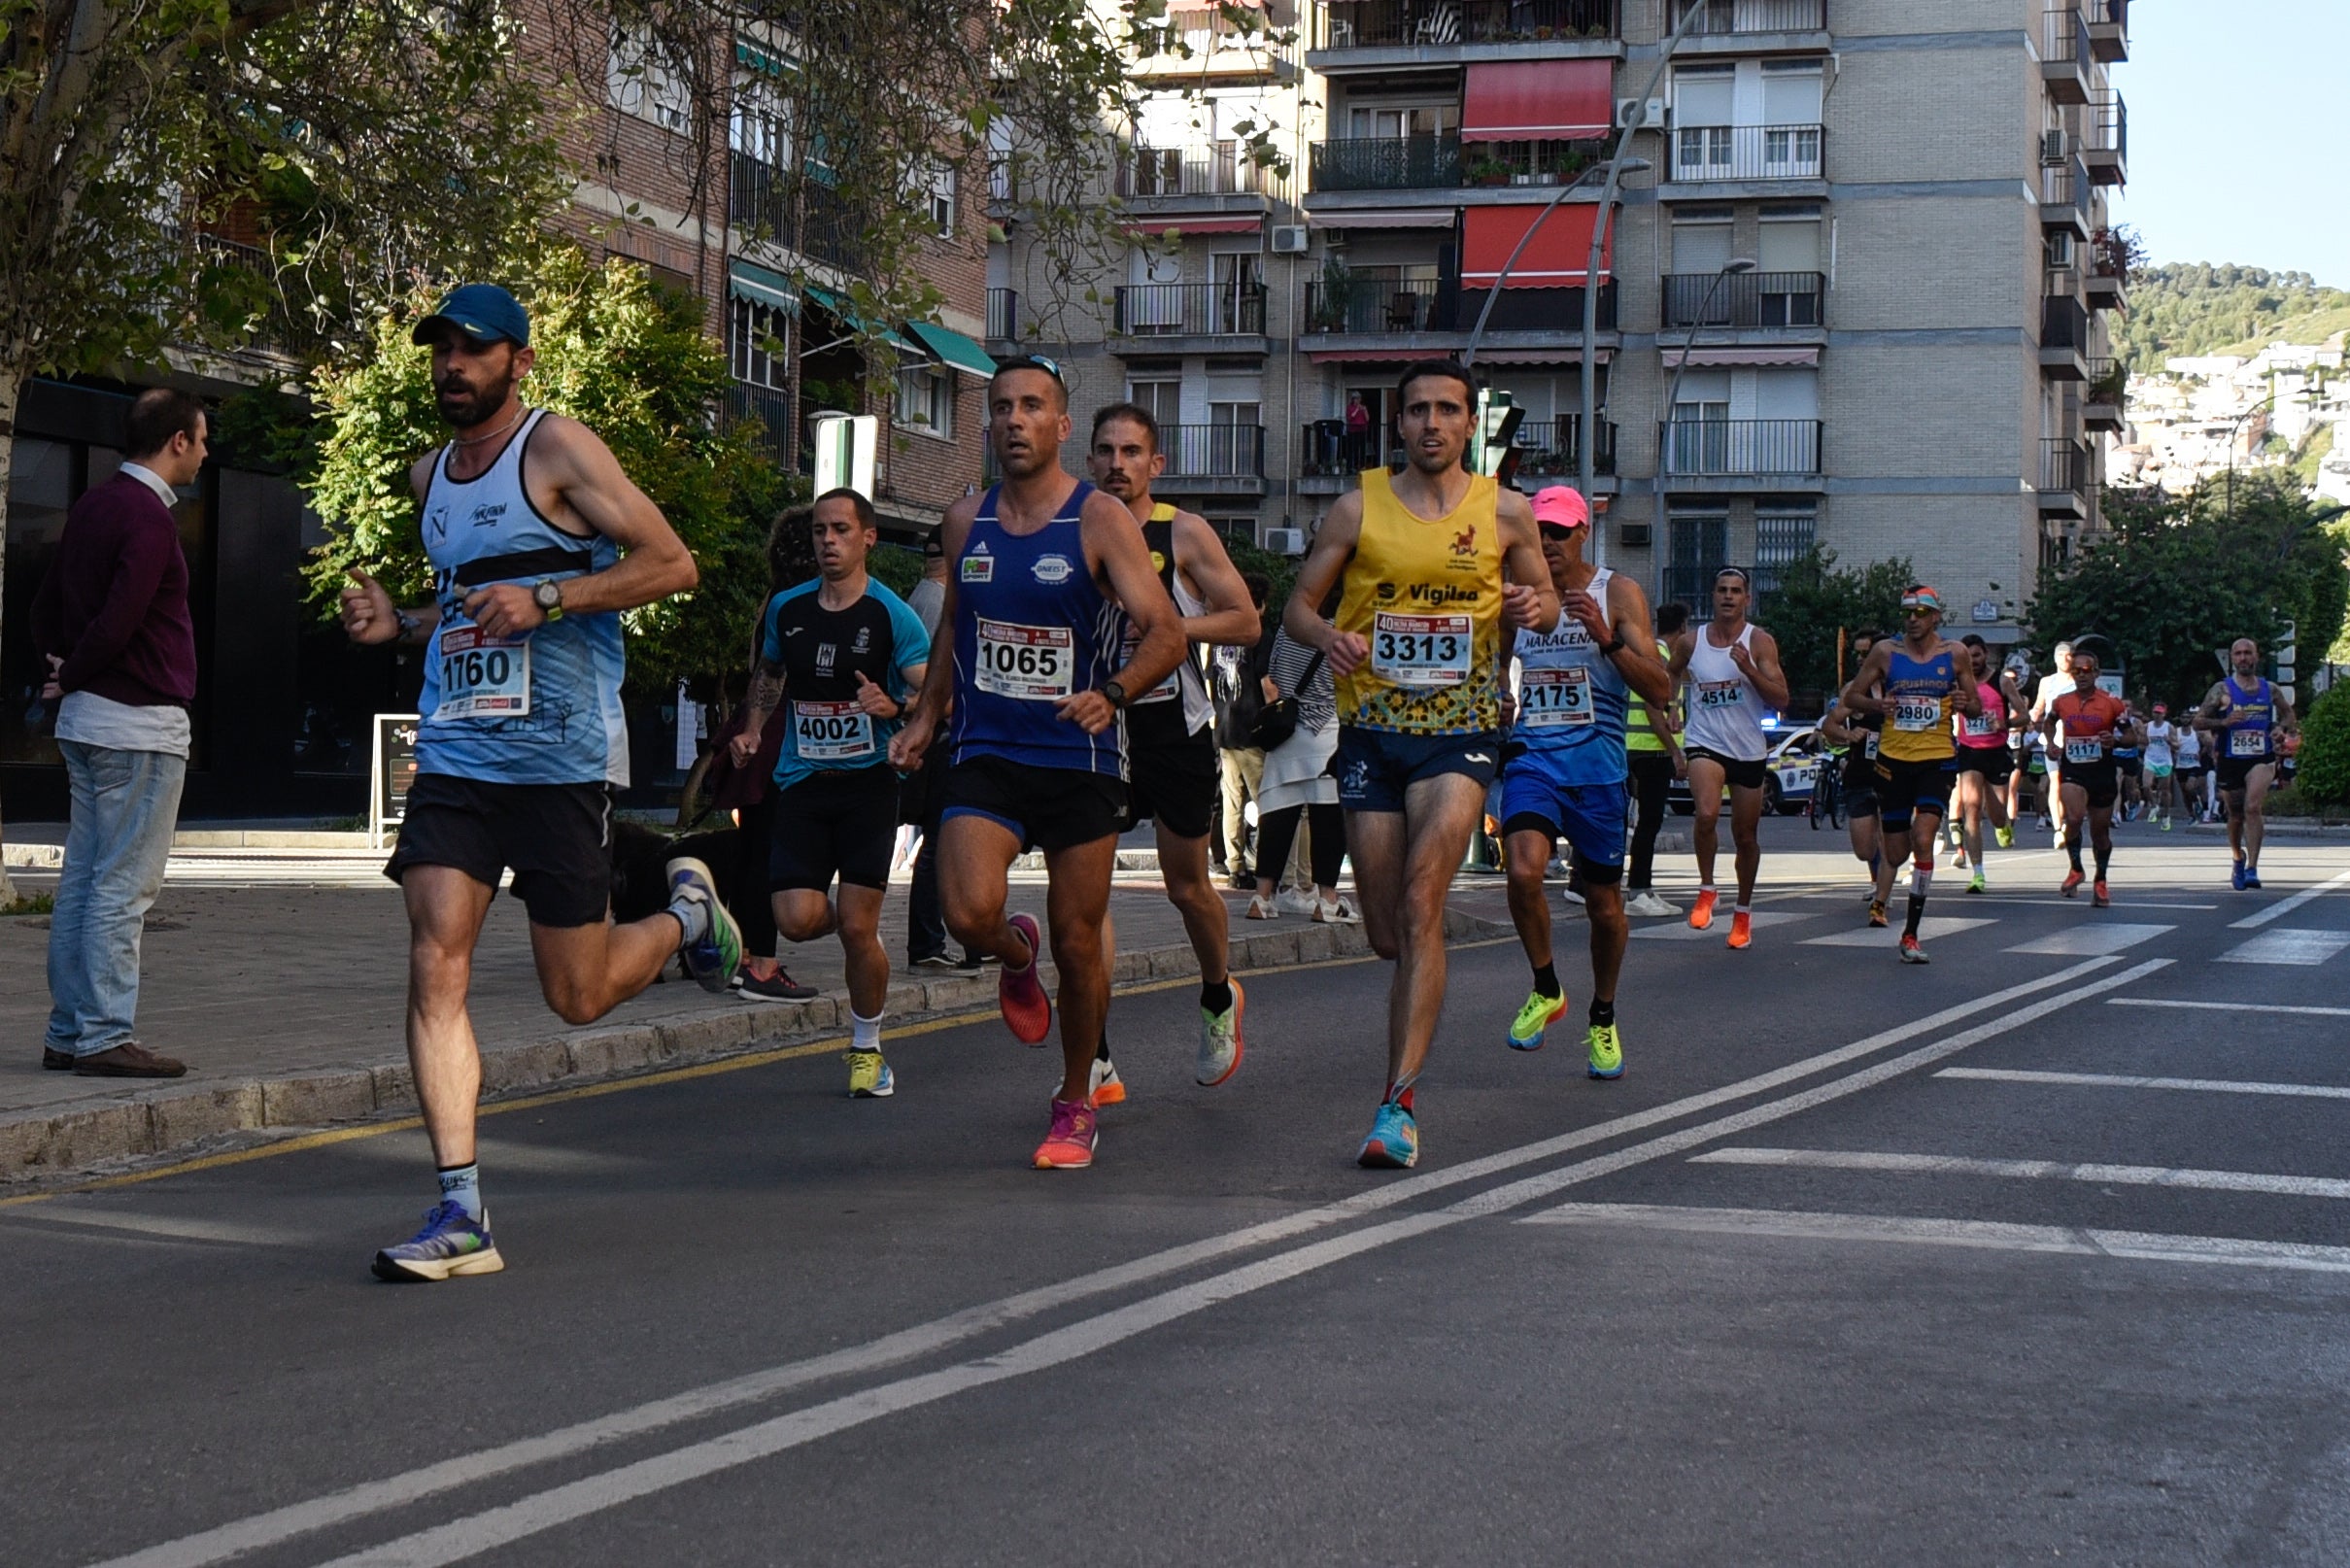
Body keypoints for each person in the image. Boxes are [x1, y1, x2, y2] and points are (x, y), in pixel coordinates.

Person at [336, 284, 716, 1281]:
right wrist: (401, 625)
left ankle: (686, 915)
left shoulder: (558, 450)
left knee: (576, 995)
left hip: (558, 759)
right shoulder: (430, 478)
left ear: (517, 361)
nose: (451, 366)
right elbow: (463, 606)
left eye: (472, 350)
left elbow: (672, 564)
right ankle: (460, 1209)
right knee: (435, 958)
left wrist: (551, 594)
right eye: (440, 351)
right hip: (459, 754)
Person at [887, 357, 1184, 1171]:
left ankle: (1075, 1099)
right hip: (986, 748)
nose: (1015, 420)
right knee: (965, 914)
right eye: (1002, 407)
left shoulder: (1098, 521)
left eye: (1033, 407)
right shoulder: (963, 521)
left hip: (1079, 755)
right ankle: (1015, 960)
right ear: (988, 425)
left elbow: (1166, 630)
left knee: (1080, 942)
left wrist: (1114, 694)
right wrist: (925, 715)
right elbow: (956, 629)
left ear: (1060, 427)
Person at [1282, 358, 1557, 1170]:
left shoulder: (1506, 513)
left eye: (1447, 409)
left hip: (1460, 732)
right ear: (1395, 423)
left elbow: (1538, 609)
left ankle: (1396, 1103)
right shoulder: (1353, 507)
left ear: (1471, 423)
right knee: (1384, 931)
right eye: (1416, 411)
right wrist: (1327, 635)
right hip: (1370, 732)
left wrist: (1529, 604)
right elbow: (1297, 605)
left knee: (1421, 895)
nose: (1431, 423)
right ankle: (1413, 1008)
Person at [28, 388, 208, 1079]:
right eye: (201, 438)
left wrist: (59, 670)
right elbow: (124, 617)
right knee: (123, 886)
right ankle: (104, 1034)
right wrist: (73, 668)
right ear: (177, 443)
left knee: (83, 879)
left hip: (88, 724)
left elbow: (47, 603)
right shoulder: (149, 518)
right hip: (139, 725)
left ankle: (69, 1032)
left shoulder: (93, 506)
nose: (204, 451)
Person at [727, 490, 931, 1098]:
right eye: (819, 531)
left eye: (841, 530)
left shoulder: (893, 616)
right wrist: (753, 729)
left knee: (857, 926)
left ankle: (867, 1048)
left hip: (870, 785)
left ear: (868, 537)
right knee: (797, 919)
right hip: (805, 781)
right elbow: (770, 674)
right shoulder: (788, 609)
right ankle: (849, 926)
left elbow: (931, 695)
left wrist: (895, 705)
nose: (828, 541)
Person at [1084, 402, 1262, 1100]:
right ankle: (1094, 1052)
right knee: (1084, 896)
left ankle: (1218, 994)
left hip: (1171, 727)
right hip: (1096, 726)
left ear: (1155, 465)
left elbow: (1246, 620)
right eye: (1105, 451)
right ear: (1089, 460)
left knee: (1186, 885)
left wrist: (1169, 627)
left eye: (1132, 453)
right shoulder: (1073, 530)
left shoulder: (1181, 532)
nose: (1117, 465)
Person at [1497, 487, 1670, 1075]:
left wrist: (1605, 635)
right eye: (1537, 531)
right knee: (1521, 869)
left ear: (1581, 535)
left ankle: (1601, 1013)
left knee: (1603, 907)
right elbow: (1497, 669)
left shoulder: (1617, 593)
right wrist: (1497, 698)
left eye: (1557, 532)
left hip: (1597, 773)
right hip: (1534, 760)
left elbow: (1661, 689)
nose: (1545, 542)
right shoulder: (1514, 599)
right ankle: (1546, 986)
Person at [1838, 588, 1981, 962]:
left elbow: (1977, 706)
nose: (1912, 619)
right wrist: (1877, 704)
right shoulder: (1886, 652)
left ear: (1936, 616)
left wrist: (1968, 705)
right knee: (1897, 850)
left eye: (1920, 612)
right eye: (1907, 613)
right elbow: (1851, 698)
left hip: (1937, 758)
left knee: (1923, 836)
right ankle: (1894, 894)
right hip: (1893, 760)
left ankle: (1912, 934)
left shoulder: (1955, 654)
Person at [1665, 566, 1791, 949]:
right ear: (1713, 596)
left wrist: (1747, 668)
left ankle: (1742, 911)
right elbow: (1670, 672)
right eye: (1722, 589)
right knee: (1705, 813)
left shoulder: (1760, 642)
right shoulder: (1692, 641)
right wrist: (1672, 705)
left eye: (1736, 591)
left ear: (1747, 599)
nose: (1728, 596)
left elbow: (1781, 698)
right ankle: (1706, 888)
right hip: (1705, 741)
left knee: (1745, 836)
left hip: (1748, 748)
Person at [1249, 622, 1347, 921]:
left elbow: (1273, 674)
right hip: (1327, 733)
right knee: (1328, 824)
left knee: (1276, 823)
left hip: (1287, 737)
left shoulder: (1286, 630)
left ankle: (1261, 898)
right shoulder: (1342, 631)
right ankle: (1327, 901)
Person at [2196, 637, 2299, 890]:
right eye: (2239, 654)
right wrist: (2223, 723)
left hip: (2260, 757)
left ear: (2256, 656)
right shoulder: (2222, 690)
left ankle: (2252, 866)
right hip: (2231, 757)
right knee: (2236, 815)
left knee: (2253, 806)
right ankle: (2237, 857)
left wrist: (2280, 729)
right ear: (2232, 659)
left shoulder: (2269, 688)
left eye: (2248, 653)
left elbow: (2289, 714)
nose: (2243, 658)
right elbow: (2198, 722)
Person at [2044, 647, 2139, 905]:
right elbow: (2049, 722)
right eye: (2076, 671)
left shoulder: (2111, 702)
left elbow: (2133, 738)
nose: (2081, 676)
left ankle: (2100, 880)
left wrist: (2116, 740)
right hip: (2073, 770)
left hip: (2102, 772)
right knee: (2073, 817)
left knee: (2100, 833)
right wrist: (2051, 743)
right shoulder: (2062, 701)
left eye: (2086, 671)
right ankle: (2076, 868)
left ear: (2096, 673)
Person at [1819, 631, 1894, 924]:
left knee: (1890, 841)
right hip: (1861, 773)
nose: (1862, 659)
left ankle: (1880, 900)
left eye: (1867, 653)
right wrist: (1849, 734)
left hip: (1894, 773)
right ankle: (1876, 875)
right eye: (1859, 654)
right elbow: (1830, 725)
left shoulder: (1900, 686)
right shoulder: (1855, 690)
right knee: (1865, 847)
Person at [1621, 599, 1688, 918]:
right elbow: (1652, 709)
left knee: (1648, 821)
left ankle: (1645, 888)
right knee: (1649, 822)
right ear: (1683, 628)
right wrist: (1675, 751)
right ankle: (1637, 891)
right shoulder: (1661, 661)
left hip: (1638, 747)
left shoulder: (1651, 656)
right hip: (1651, 749)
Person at [1213, 571, 1276, 890]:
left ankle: (1235, 866)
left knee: (1232, 803)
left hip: (1224, 730)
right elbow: (1268, 685)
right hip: (1252, 730)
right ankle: (1266, 865)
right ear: (1261, 604)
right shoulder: (1259, 635)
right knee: (1266, 801)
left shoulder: (1220, 637)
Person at [1952, 632, 2022, 892]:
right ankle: (1978, 874)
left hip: (1996, 751)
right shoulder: (1957, 684)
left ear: (1986, 655)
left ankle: (2003, 827)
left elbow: (2024, 716)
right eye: (1967, 657)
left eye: (1977, 655)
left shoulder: (2001, 682)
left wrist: (2005, 723)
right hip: (1969, 751)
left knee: (1997, 816)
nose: (1973, 661)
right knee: (1971, 807)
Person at [2030, 640, 2076, 846]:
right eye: (2062, 655)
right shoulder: (2047, 682)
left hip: (2075, 740)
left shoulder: (2080, 681)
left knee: (2072, 785)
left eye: (2069, 656)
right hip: (2051, 739)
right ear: (2055, 658)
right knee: (2055, 782)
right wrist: (2028, 718)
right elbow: (2038, 707)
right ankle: (2058, 829)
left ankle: (2069, 820)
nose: (2066, 660)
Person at [2141, 700, 2179, 830]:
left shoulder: (2169, 727)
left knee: (2164, 791)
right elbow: (2141, 742)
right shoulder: (2147, 727)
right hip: (2150, 759)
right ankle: (2154, 805)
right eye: (2155, 712)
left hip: (2164, 761)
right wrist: (2143, 741)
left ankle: (2166, 815)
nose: (2157, 715)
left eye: (2159, 713)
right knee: (2146, 785)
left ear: (2164, 714)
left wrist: (2170, 742)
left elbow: (2177, 745)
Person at [2172, 711, 2203, 825]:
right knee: (2184, 792)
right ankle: (2191, 814)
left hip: (2193, 764)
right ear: (2180, 718)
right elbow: (2171, 744)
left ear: (2191, 718)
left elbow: (2207, 744)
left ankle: (2197, 801)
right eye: (2183, 717)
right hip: (2180, 765)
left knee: (2190, 787)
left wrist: (2200, 753)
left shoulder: (2196, 733)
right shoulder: (2176, 732)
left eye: (2187, 717)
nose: (2185, 719)